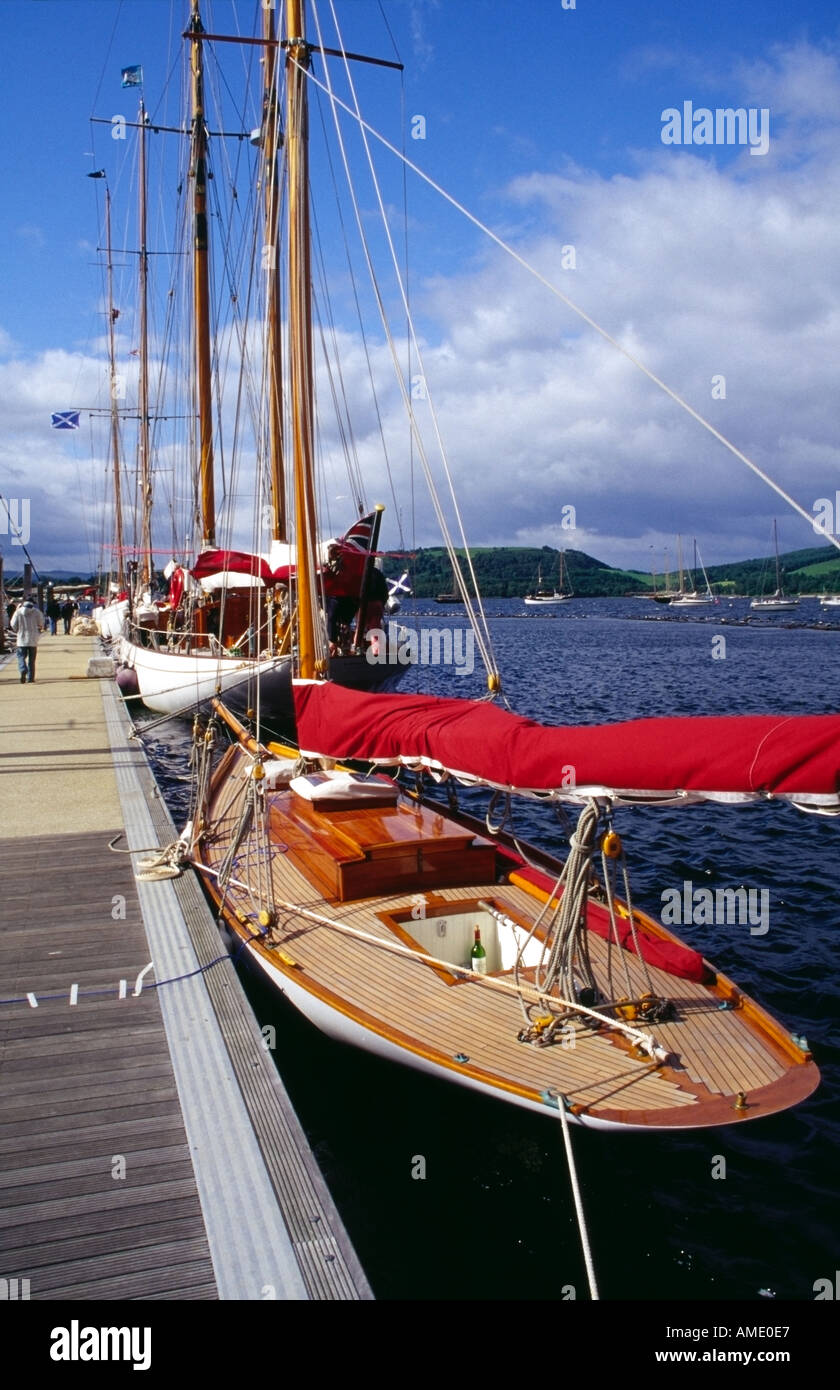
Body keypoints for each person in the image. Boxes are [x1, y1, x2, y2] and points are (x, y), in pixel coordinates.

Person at [11, 597, 45, 683]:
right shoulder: (37, 612)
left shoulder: (18, 612)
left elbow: (13, 624)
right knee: (32, 660)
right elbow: (41, 623)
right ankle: (31, 678)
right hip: (33, 639)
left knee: (21, 656)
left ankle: (23, 669)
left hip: (21, 639)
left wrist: (17, 629)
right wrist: (38, 627)